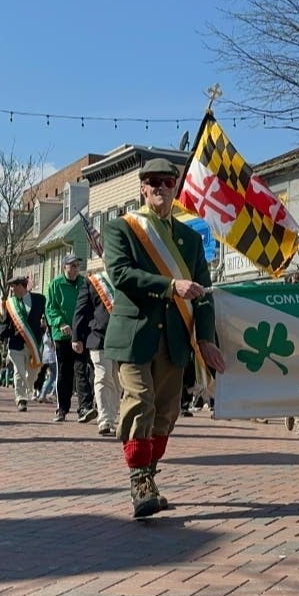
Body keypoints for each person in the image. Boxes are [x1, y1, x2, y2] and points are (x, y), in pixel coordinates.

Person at [103, 157, 225, 518]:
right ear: (143, 188)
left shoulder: (190, 238)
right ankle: (139, 480)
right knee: (140, 401)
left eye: (167, 182)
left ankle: (150, 477)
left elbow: (203, 294)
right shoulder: (122, 228)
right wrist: (171, 286)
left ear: (176, 188)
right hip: (135, 333)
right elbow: (121, 274)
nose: (160, 187)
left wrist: (206, 339)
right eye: (153, 182)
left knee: (167, 412)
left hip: (175, 337)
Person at [72, 259, 120, 436]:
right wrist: (77, 337)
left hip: (121, 339)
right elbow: (81, 310)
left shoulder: (125, 280)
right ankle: (104, 419)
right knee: (103, 376)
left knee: (117, 382)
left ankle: (112, 417)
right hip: (99, 337)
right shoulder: (93, 282)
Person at [46, 252, 94, 423]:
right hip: (62, 335)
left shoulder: (84, 283)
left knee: (82, 370)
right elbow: (50, 308)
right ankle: (62, 409)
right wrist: (60, 323)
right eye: (72, 265)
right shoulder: (55, 284)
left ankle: (85, 408)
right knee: (64, 372)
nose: (75, 269)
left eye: (77, 266)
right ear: (64, 267)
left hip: (80, 335)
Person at [0, 275, 46, 412]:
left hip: (34, 342)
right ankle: (21, 399)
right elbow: (5, 323)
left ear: (21, 286)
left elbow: (47, 316)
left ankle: (27, 389)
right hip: (16, 343)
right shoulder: (11, 303)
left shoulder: (39, 299)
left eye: (13, 287)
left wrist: (51, 331)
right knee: (18, 371)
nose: (12, 290)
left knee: (34, 371)